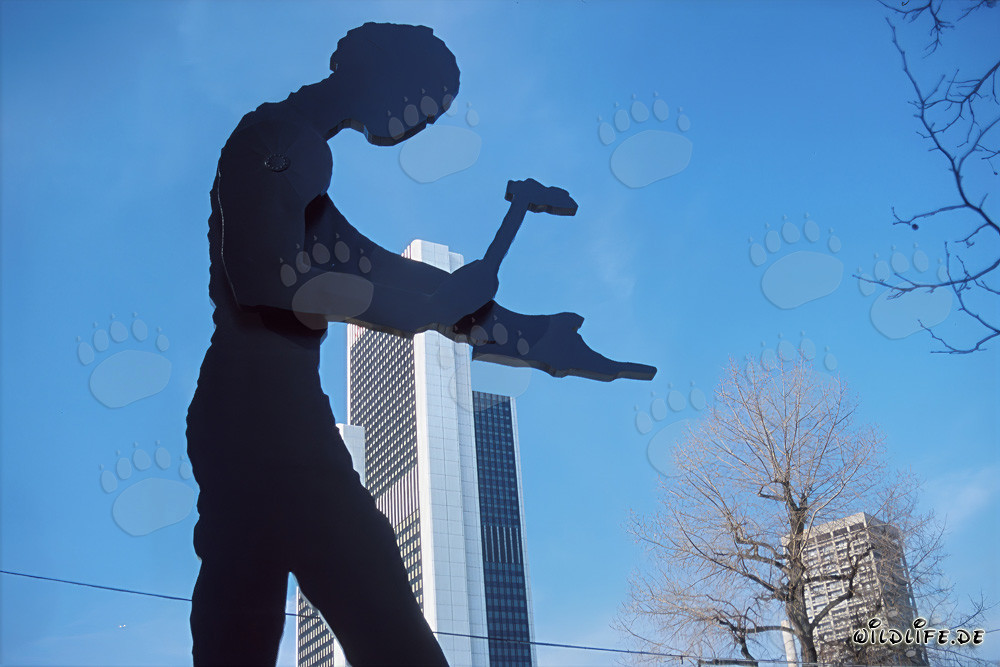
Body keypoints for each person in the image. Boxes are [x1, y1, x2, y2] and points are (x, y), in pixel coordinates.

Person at [187, 22, 654, 666]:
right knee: (366, 599)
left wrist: (537, 338)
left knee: (245, 608)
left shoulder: (299, 158)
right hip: (263, 411)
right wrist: (429, 309)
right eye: (422, 100)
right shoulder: (280, 137)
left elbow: (374, 269)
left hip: (257, 408)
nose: (422, 121)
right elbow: (268, 276)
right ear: (377, 72)